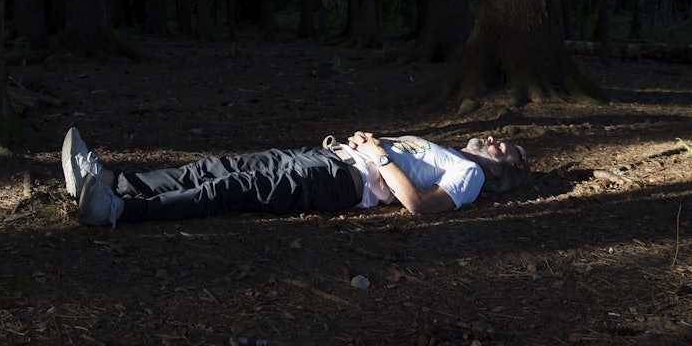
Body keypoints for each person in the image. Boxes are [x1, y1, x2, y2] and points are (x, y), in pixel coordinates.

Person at [61, 127, 529, 228]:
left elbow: (422, 206)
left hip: (341, 183)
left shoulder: (469, 174)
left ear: (503, 169)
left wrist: (380, 155)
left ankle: (120, 211)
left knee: (233, 189)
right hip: (330, 159)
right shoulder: (451, 153)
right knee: (218, 167)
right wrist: (367, 144)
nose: (493, 138)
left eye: (503, 146)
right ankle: (106, 180)